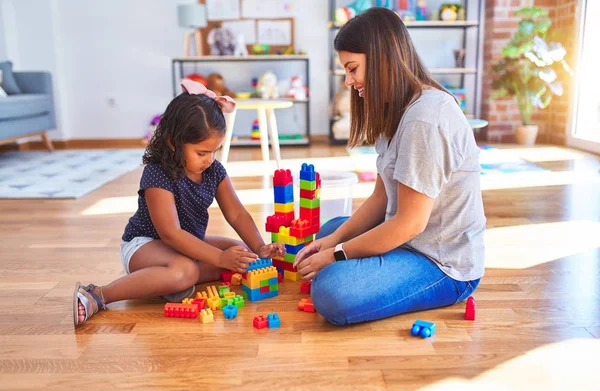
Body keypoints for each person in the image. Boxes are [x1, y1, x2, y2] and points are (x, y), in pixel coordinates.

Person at [293, 8, 486, 326]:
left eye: (352, 69)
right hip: (406, 239)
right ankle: (344, 252)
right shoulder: (393, 110)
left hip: (439, 262)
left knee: (332, 291)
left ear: (383, 58)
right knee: (325, 233)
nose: (348, 81)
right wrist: (334, 242)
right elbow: (381, 199)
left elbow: (409, 223)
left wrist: (337, 254)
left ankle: (349, 268)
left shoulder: (426, 118)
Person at [73, 79, 285, 326]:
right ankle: (98, 294)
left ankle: (169, 283)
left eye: (214, 151)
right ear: (174, 142)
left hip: (185, 243)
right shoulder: (157, 173)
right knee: (188, 270)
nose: (209, 160)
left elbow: (236, 214)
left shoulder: (214, 171)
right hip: (146, 244)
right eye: (201, 153)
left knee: (243, 254)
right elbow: (171, 234)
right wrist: (219, 259)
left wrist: (259, 247)